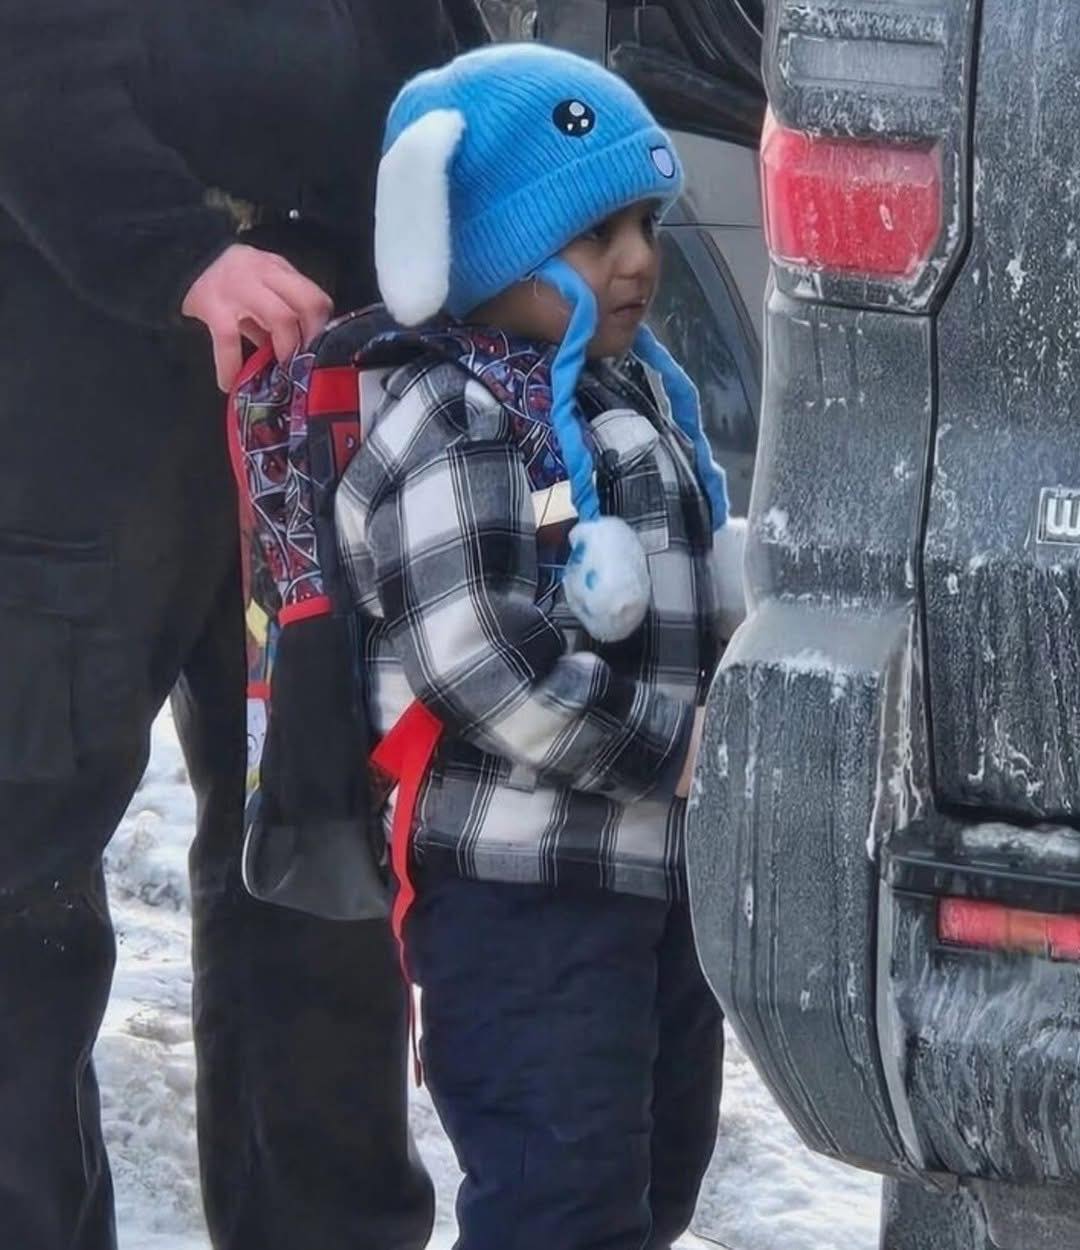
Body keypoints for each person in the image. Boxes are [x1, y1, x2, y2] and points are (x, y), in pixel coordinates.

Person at [0, 3, 481, 1248]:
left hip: (324, 391)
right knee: (21, 872)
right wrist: (178, 253)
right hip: (73, 407)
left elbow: (434, 67)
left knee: (318, 856)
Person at [335, 43, 747, 1249]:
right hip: (520, 900)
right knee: (555, 1207)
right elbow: (482, 660)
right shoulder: (450, 414)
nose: (637, 259)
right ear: (483, 249)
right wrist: (673, 751)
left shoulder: (634, 395)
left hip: (649, 886)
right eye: (592, 232)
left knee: (654, 1186)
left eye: (645, 224)